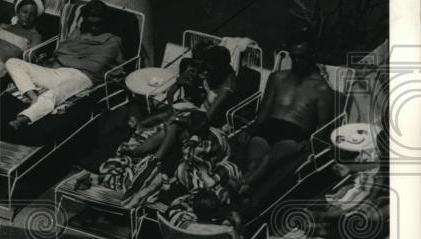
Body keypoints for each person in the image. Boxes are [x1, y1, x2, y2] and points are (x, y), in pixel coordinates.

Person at [237, 31, 334, 198]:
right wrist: (251, 129)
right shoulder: (277, 78)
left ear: (311, 55)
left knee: (269, 158)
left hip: (294, 133)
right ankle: (246, 192)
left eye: (301, 57)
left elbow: (324, 125)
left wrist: (309, 144)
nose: (296, 61)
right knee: (255, 162)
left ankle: (241, 184)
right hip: (269, 127)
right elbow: (264, 110)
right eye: (293, 56)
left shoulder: (322, 89)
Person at [5, 0, 123, 130]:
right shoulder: (79, 32)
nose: (93, 28)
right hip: (59, 70)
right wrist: (60, 61)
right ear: (84, 20)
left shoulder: (112, 40)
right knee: (13, 62)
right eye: (90, 24)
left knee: (56, 93)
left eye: (98, 24)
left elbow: (97, 66)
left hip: (83, 76)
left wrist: (64, 60)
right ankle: (34, 98)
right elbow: (62, 50)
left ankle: (24, 118)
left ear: (105, 21)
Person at [127, 45, 237, 160]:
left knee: (172, 125)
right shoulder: (214, 72)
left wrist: (179, 119)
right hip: (199, 111)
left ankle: (152, 157)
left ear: (218, 68)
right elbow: (182, 82)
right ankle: (138, 150)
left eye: (209, 68)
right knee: (170, 119)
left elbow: (206, 119)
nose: (206, 71)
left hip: (212, 122)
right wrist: (186, 78)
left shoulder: (227, 89)